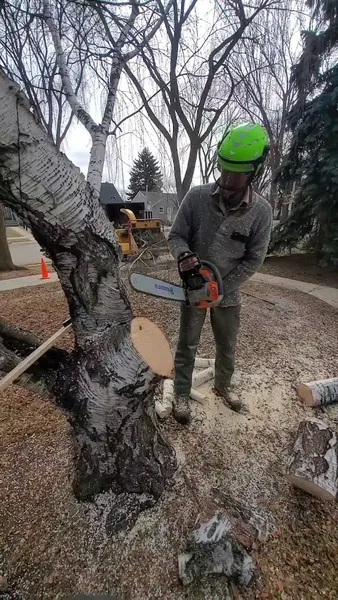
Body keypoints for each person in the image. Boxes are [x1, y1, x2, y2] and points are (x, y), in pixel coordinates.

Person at [168, 122, 272, 424]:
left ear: (253, 172)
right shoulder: (197, 197)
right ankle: (181, 392)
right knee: (186, 343)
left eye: (235, 173)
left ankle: (224, 386)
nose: (226, 178)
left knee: (227, 345)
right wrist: (184, 255)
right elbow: (176, 235)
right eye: (223, 169)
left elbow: (254, 260)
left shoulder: (261, 212)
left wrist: (220, 288)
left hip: (229, 294)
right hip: (192, 288)